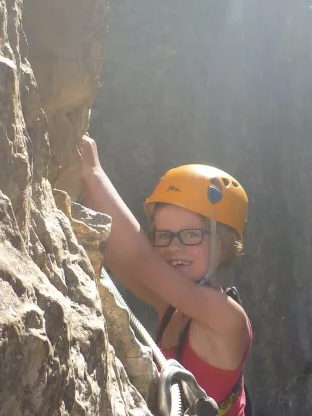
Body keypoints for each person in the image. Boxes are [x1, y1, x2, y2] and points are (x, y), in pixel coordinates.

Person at [79, 135, 252, 416]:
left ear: (224, 244)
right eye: (164, 235)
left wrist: (94, 172)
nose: (174, 246)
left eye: (191, 235)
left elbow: (141, 261)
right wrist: (85, 188)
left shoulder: (226, 317)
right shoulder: (172, 307)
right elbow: (119, 259)